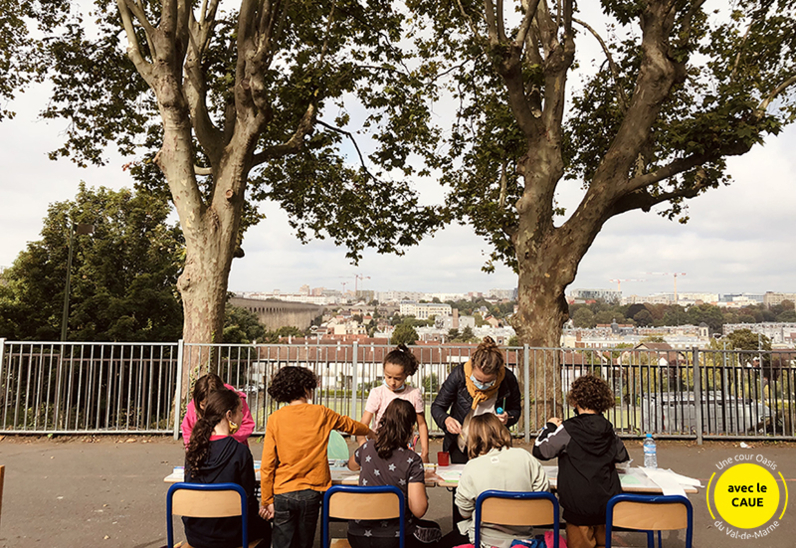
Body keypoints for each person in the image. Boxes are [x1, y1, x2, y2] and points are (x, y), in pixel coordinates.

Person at [260, 366, 376, 548]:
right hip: (312, 491)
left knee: (282, 543)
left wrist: (267, 500)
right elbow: (350, 425)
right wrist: (371, 432)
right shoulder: (321, 413)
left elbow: (268, 464)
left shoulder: (275, 418)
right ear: (306, 389)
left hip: (283, 490)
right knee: (305, 542)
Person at [533, 374, 630, 548]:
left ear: (575, 401)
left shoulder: (569, 429)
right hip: (606, 503)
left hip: (577, 504)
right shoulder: (608, 429)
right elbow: (622, 457)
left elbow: (541, 451)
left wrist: (549, 427)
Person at [443, 414, 548, 548]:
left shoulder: (472, 466)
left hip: (484, 539)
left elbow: (464, 512)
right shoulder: (525, 457)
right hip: (524, 537)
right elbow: (543, 496)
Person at [183, 388, 270, 548]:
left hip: (196, 534)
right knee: (267, 528)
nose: (242, 416)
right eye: (240, 412)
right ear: (229, 415)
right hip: (232, 535)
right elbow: (249, 500)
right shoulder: (240, 451)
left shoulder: (193, 449)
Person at [349, 399, 441, 548]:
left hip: (357, 535)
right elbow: (419, 510)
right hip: (395, 537)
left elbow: (351, 465)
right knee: (434, 531)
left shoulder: (366, 448)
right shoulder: (412, 460)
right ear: (411, 429)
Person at [431, 337, 521, 463]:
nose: (482, 385)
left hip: (494, 444)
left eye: (489, 382)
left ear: (498, 374)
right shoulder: (459, 375)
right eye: (478, 380)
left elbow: (516, 409)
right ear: (472, 367)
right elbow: (437, 407)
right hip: (462, 443)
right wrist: (446, 420)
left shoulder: (508, 378)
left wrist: (508, 416)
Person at [358, 344, 430, 462]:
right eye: (388, 376)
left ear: (407, 375)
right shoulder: (377, 393)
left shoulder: (414, 394)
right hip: (380, 450)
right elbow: (362, 425)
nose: (392, 382)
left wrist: (425, 452)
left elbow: (421, 424)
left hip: (404, 451)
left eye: (397, 378)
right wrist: (363, 446)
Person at [181, 373, 255, 447]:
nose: (207, 409)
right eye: (203, 405)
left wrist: (223, 440)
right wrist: (192, 448)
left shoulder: (236, 401)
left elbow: (247, 424)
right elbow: (187, 429)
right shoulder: (194, 405)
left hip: (232, 449)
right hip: (202, 452)